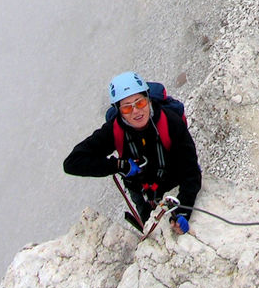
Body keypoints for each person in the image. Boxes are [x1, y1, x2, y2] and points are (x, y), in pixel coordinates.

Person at [63, 71, 201, 234]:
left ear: (148, 99)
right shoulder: (114, 130)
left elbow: (191, 171)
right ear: (119, 110)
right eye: (127, 107)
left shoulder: (170, 122)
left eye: (140, 103)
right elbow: (72, 163)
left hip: (172, 184)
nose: (136, 111)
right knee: (150, 231)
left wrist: (183, 209)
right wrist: (117, 166)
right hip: (142, 194)